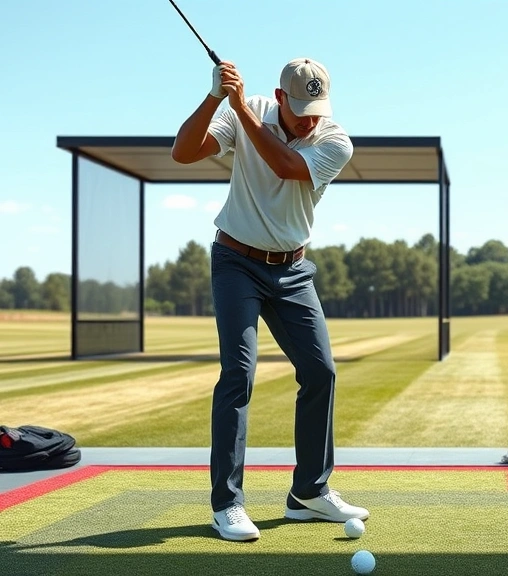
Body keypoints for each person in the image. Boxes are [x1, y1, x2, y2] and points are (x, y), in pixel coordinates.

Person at [170, 57, 369, 542]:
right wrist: (220, 97)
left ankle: (308, 493)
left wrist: (242, 111)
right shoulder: (249, 108)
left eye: (316, 109)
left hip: (294, 270)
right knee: (239, 374)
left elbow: (285, 166)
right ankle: (228, 504)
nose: (309, 119)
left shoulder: (334, 140)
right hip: (236, 261)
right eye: (300, 109)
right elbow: (183, 152)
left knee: (321, 371)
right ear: (280, 98)